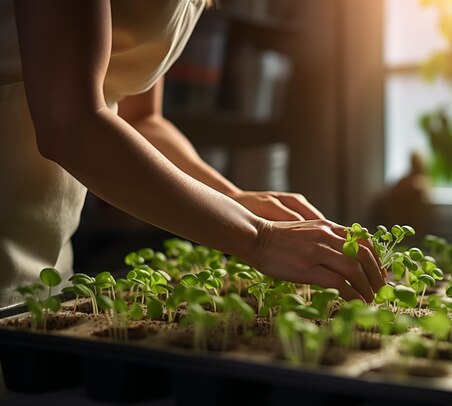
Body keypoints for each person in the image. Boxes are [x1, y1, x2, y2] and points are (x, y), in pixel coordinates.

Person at [0, 0, 384, 307]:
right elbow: (69, 123)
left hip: (48, 255)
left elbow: (141, 118)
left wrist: (233, 200)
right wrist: (258, 237)